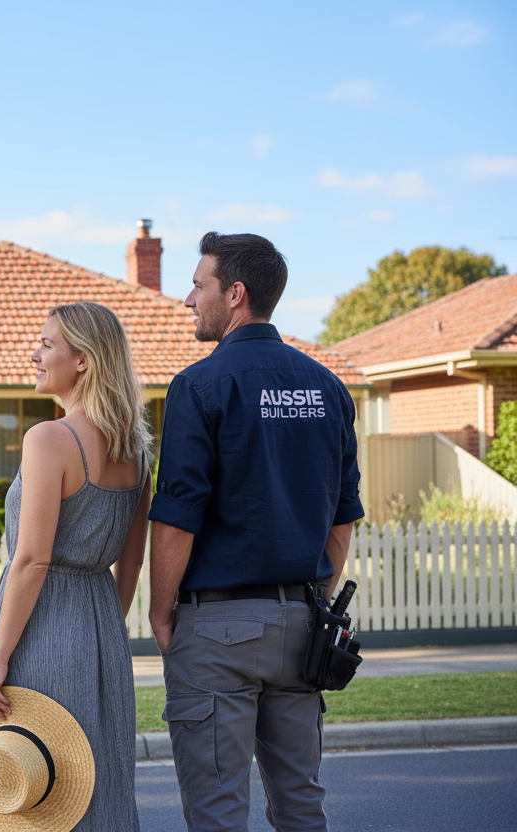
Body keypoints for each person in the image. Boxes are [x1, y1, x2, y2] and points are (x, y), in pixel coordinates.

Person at [148, 232, 364, 832]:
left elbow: (176, 517)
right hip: (301, 628)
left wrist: (160, 613)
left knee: (217, 813)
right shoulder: (328, 388)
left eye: (198, 284)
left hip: (216, 631)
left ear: (235, 294)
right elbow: (344, 515)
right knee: (301, 807)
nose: (189, 299)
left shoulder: (200, 385)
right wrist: (315, 596)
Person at [0, 300, 152, 832]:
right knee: (97, 776)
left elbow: (31, 559)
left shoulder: (48, 439)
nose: (35, 353)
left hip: (43, 626)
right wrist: (106, 623)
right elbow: (134, 554)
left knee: (35, 783)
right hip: (101, 625)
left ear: (84, 361)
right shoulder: (138, 451)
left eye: (47, 344)